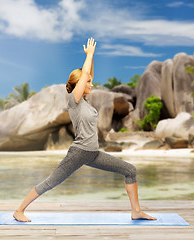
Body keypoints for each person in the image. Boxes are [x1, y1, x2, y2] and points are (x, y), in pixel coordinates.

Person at [13, 38, 156, 222]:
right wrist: (89, 55)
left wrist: (92, 58)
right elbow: (86, 74)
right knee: (50, 182)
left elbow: (90, 75)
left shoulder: (85, 102)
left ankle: (136, 211)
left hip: (93, 153)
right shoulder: (75, 101)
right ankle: (19, 210)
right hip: (79, 153)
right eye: (87, 82)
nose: (92, 84)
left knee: (130, 170)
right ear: (79, 84)